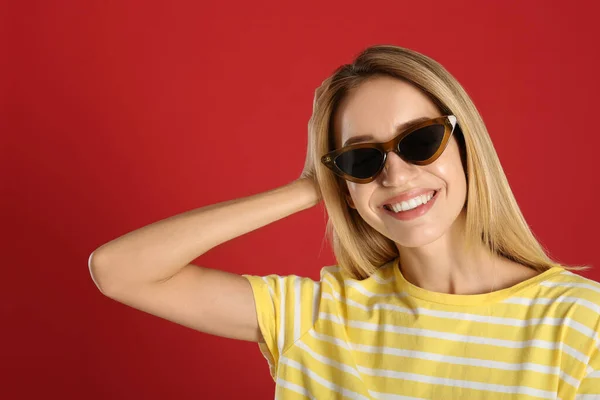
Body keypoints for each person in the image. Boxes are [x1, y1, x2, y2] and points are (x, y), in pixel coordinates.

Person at [89, 45, 600, 399]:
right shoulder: (315, 318)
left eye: (420, 141)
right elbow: (119, 270)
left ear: (466, 146)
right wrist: (306, 187)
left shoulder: (581, 323)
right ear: (346, 188)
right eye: (362, 159)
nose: (397, 175)